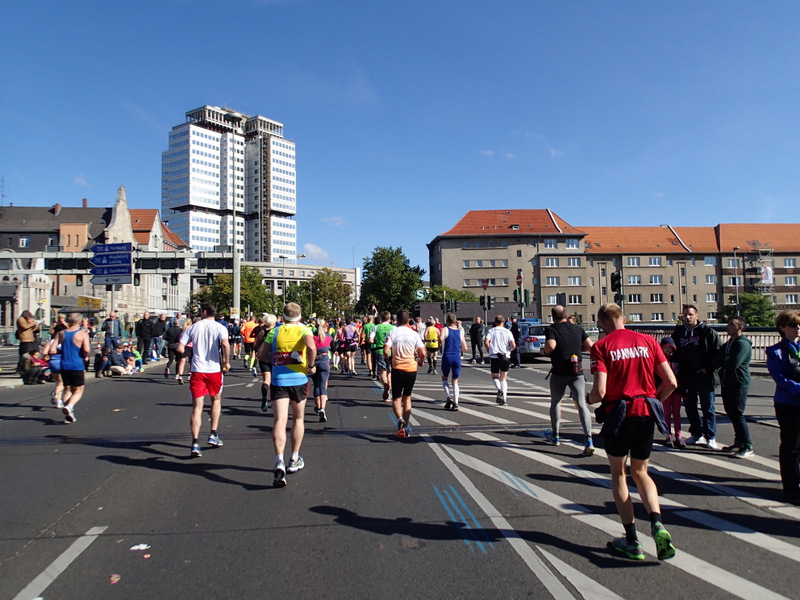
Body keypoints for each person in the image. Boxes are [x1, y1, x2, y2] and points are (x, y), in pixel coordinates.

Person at [588, 303, 677, 561]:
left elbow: (600, 392)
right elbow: (671, 382)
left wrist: (587, 398)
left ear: (602, 323)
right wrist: (654, 400)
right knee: (641, 472)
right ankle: (657, 523)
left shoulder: (601, 347)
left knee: (619, 475)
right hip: (646, 411)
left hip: (620, 414)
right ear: (623, 318)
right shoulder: (649, 341)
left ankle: (632, 540)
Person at [270, 302, 316, 487]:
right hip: (298, 379)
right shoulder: (304, 330)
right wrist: (310, 365)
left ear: (283, 315)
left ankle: (279, 460)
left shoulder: (275, 331)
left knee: (280, 420)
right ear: (300, 315)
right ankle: (294, 458)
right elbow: (312, 348)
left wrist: (278, 356)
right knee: (298, 419)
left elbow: (263, 353)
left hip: (279, 379)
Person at [176, 303, 231, 458]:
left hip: (197, 369)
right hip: (214, 370)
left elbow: (180, 348)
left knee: (197, 407)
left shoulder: (193, 327)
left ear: (204, 311)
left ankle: (195, 443)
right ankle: (213, 433)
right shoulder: (220, 327)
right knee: (216, 401)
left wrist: (190, 354)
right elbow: (226, 344)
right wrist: (226, 361)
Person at [542, 305, 595, 454]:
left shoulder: (551, 329)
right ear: (566, 315)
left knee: (556, 402)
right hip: (576, 371)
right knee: (581, 404)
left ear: (553, 317)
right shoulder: (578, 329)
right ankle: (588, 438)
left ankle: (555, 435)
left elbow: (551, 345)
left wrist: (544, 351)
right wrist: (577, 349)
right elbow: (590, 345)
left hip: (559, 372)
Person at [671, 304, 721, 449]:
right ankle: (696, 434)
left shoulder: (707, 332)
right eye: (685, 315)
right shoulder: (679, 332)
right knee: (690, 405)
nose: (688, 317)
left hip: (704, 375)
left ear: (697, 315)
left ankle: (710, 436)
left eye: (691, 314)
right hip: (686, 375)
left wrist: (709, 368)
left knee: (708, 407)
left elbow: (718, 353)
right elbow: (673, 350)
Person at [766, 310, 800, 505]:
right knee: (791, 446)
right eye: (794, 325)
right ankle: (791, 488)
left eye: (799, 325)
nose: (798, 329)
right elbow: (780, 378)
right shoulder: (775, 351)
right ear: (782, 328)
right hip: (788, 403)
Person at [384, 310, 426, 438]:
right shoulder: (414, 334)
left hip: (398, 368)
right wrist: (421, 362)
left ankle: (399, 419)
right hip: (411, 368)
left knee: (396, 397)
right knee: (407, 397)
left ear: (396, 320)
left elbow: (386, 350)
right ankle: (406, 426)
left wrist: (390, 359)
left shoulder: (392, 332)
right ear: (408, 321)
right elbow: (423, 352)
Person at [716, 317, 753, 458]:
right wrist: (724, 359)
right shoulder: (729, 343)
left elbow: (734, 363)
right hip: (727, 382)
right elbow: (718, 358)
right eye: (728, 324)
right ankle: (739, 442)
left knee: (737, 413)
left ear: (740, 328)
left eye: (732, 324)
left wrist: (726, 360)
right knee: (731, 412)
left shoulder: (742, 344)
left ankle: (747, 444)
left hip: (738, 383)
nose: (728, 326)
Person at [53, 313, 92, 423]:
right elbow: (87, 350)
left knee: (68, 390)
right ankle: (69, 406)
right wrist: (84, 356)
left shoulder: (61, 333)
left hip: (64, 365)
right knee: (78, 390)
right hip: (76, 364)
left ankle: (68, 415)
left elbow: (52, 350)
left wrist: (63, 351)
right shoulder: (83, 334)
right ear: (80, 322)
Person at [658, 337, 686, 449]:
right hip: (665, 389)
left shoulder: (678, 359)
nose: (668, 350)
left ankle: (678, 436)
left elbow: (682, 374)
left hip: (676, 390)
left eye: (670, 348)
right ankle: (668, 435)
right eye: (665, 348)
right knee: (666, 413)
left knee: (677, 413)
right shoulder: (660, 359)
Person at [484, 315, 515, 405]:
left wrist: (489, 350)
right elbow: (513, 344)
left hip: (494, 356)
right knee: (503, 378)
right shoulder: (507, 331)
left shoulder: (491, 331)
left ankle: (499, 389)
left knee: (494, 376)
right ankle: (504, 399)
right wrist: (509, 351)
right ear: (504, 322)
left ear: (495, 322)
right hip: (505, 356)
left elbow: (486, 342)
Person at [439, 312, 467, 411]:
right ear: (455, 321)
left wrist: (440, 344)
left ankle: (448, 397)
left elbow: (441, 338)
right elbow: (465, 347)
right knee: (455, 380)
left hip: (447, 356)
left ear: (447, 321)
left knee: (444, 378)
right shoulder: (460, 332)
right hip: (457, 357)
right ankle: (456, 403)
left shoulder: (445, 329)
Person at [253, 314, 277, 412]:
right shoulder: (276, 332)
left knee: (266, 380)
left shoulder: (261, 332)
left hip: (264, 358)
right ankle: (274, 401)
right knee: (275, 382)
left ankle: (264, 397)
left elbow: (255, 344)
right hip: (275, 358)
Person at [371, 311, 395, 401]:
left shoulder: (376, 327)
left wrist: (376, 341)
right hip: (390, 351)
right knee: (390, 372)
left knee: (382, 371)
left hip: (380, 350)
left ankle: (385, 384)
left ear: (381, 319)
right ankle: (388, 392)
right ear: (390, 319)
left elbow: (370, 339)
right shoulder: (393, 328)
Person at [312, 317, 332, 422]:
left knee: (316, 385)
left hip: (314, 362)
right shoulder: (328, 337)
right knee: (323, 386)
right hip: (325, 362)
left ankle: (318, 406)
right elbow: (334, 347)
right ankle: (322, 408)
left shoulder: (312, 337)